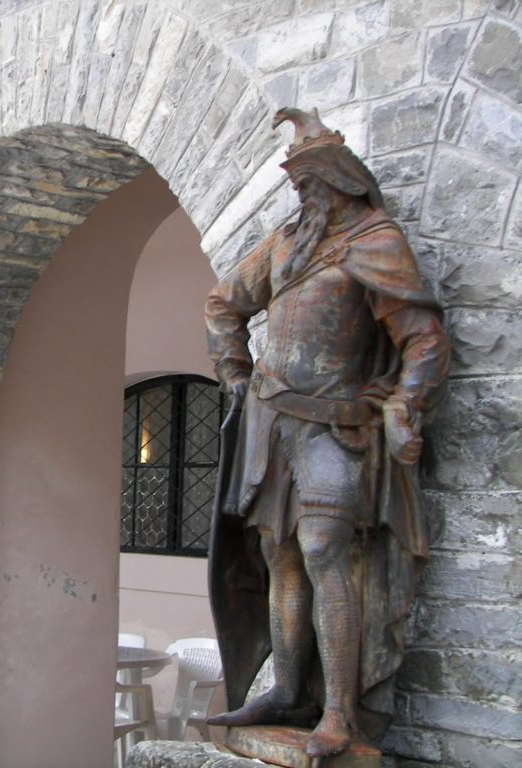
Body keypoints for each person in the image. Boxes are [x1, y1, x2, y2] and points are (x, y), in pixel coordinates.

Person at [204, 108, 449, 757]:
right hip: (271, 427)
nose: (303, 196)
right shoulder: (286, 242)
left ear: (343, 180)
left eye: (312, 183)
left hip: (336, 430)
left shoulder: (376, 241)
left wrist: (406, 403)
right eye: (297, 185)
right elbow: (224, 303)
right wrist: (235, 374)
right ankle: (288, 691)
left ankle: (339, 711)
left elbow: (423, 337)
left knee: (324, 551)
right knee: (280, 555)